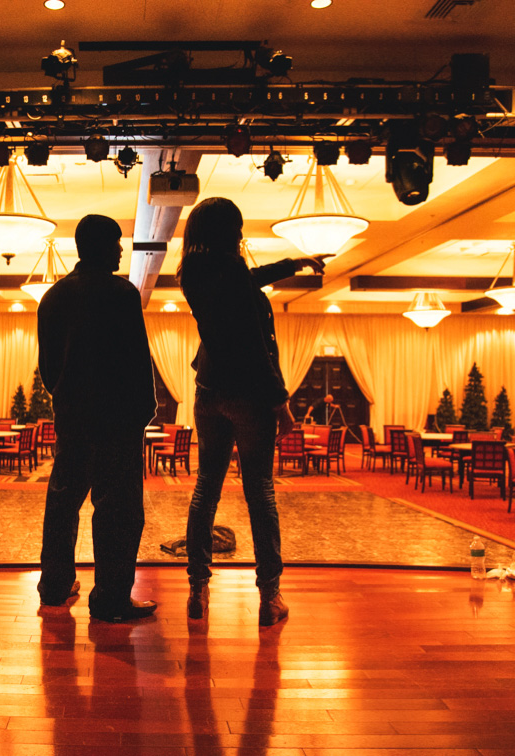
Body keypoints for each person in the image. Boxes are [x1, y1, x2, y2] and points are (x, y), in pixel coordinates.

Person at [178, 197, 328, 626]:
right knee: (259, 492)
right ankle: (269, 597)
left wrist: (293, 263)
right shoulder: (234, 275)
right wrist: (280, 402)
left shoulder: (195, 274)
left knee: (206, 488)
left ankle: (198, 590)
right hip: (249, 394)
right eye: (238, 227)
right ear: (230, 232)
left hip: (208, 390)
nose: (242, 234)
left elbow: (250, 279)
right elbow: (257, 349)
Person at [36, 214, 159, 622]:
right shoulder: (122, 294)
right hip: (117, 423)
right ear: (102, 246)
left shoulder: (51, 298)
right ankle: (109, 598)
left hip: (72, 418)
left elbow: (48, 369)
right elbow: (138, 362)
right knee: (119, 511)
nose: (122, 250)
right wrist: (145, 411)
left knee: (62, 503)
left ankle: (54, 586)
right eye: (117, 243)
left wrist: (67, 399)